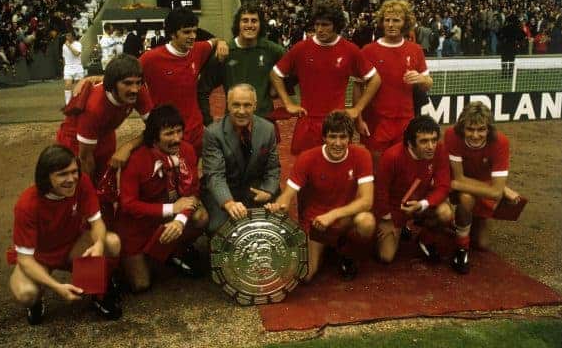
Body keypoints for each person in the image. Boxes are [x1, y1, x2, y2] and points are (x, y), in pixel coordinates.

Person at [8, 145, 122, 325]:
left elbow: (97, 222)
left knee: (111, 242)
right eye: (62, 174)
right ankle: (36, 302)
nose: (71, 179)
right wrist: (57, 287)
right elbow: (25, 259)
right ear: (46, 177)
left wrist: (99, 243)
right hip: (40, 257)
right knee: (26, 294)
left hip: (72, 245)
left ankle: (97, 292)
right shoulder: (27, 205)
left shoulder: (82, 182)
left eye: (74, 171)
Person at [265, 111, 375, 282]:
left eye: (343, 137)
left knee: (366, 221)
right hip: (316, 223)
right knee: (306, 276)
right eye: (332, 137)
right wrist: (278, 206)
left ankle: (347, 253)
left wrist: (332, 215)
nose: (337, 143)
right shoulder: (307, 158)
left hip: (345, 219)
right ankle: (325, 248)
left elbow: (367, 201)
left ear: (350, 138)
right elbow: (287, 196)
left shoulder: (362, 155)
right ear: (324, 137)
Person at [270, 0, 381, 155]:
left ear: (336, 25)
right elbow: (275, 74)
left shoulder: (350, 50)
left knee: (337, 172)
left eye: (325, 25)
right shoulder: (301, 48)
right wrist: (287, 103)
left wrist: (357, 108)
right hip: (307, 122)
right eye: (317, 24)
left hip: (337, 124)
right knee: (305, 173)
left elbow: (375, 79)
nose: (320, 29)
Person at [117, 104, 208, 291]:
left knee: (201, 216)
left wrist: (180, 221)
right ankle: (127, 262)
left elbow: (192, 193)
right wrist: (170, 210)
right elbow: (127, 205)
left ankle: (173, 250)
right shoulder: (136, 160)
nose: (176, 139)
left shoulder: (187, 150)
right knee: (140, 285)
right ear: (154, 137)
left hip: (168, 218)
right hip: (138, 226)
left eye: (179, 131)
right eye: (169, 134)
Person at [140, 7, 228, 157]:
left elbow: (213, 41)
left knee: (200, 172)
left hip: (196, 131)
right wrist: (147, 114)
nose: (193, 36)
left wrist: (222, 42)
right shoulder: (151, 58)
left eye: (194, 31)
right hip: (170, 133)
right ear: (172, 34)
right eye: (186, 32)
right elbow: (127, 76)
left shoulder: (198, 50)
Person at [356, 0, 433, 168]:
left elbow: (428, 83)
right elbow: (358, 87)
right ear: (382, 22)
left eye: (396, 20)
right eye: (387, 20)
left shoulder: (415, 50)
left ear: (405, 23)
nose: (391, 24)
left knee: (402, 167)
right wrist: (359, 119)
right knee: (377, 169)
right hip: (376, 121)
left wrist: (421, 79)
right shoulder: (368, 51)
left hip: (405, 120)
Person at [445, 102, 520, 274]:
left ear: (489, 129)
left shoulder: (500, 142)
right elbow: (457, 180)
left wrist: (500, 189)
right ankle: (461, 250)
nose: (475, 135)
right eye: (470, 129)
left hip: (479, 184)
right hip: (460, 186)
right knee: (465, 198)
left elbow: (494, 193)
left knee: (482, 245)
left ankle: (462, 222)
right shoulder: (452, 135)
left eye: (481, 129)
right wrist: (499, 189)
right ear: (462, 128)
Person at [56, 54, 152, 184]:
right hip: (75, 139)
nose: (135, 89)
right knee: (80, 186)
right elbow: (85, 157)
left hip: (105, 133)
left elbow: (156, 127)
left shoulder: (138, 90)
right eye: (128, 83)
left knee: (108, 183)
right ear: (112, 84)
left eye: (138, 82)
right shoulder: (95, 107)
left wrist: (128, 147)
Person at [201, 84, 280, 233]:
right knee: (220, 228)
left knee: (276, 223)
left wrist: (268, 191)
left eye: (247, 105)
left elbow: (273, 168)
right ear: (228, 105)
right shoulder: (213, 133)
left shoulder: (268, 129)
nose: (241, 111)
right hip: (225, 190)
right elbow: (215, 175)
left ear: (255, 106)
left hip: (255, 189)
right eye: (236, 105)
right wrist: (229, 203)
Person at [374, 115, 452, 264]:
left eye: (434, 140)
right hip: (395, 208)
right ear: (410, 143)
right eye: (424, 141)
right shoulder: (392, 157)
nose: (431, 146)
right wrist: (387, 219)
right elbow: (380, 193)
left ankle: (425, 238)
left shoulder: (439, 150)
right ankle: (399, 229)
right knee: (386, 257)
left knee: (446, 213)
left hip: (420, 203)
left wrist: (422, 204)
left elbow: (443, 186)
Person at [198, 1, 285, 125]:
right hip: (233, 123)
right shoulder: (225, 52)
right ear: (237, 24)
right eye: (245, 20)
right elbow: (202, 89)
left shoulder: (272, 50)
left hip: (265, 123)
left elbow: (295, 67)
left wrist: (277, 87)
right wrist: (207, 121)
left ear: (261, 25)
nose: (249, 25)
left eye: (254, 21)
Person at [62, 31, 84, 105]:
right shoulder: (64, 46)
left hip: (78, 66)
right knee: (68, 85)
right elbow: (64, 58)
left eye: (69, 36)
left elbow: (77, 54)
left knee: (78, 86)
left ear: (73, 37)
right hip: (68, 67)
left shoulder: (78, 44)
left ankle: (77, 102)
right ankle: (68, 104)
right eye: (66, 36)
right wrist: (64, 68)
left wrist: (69, 46)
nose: (67, 37)